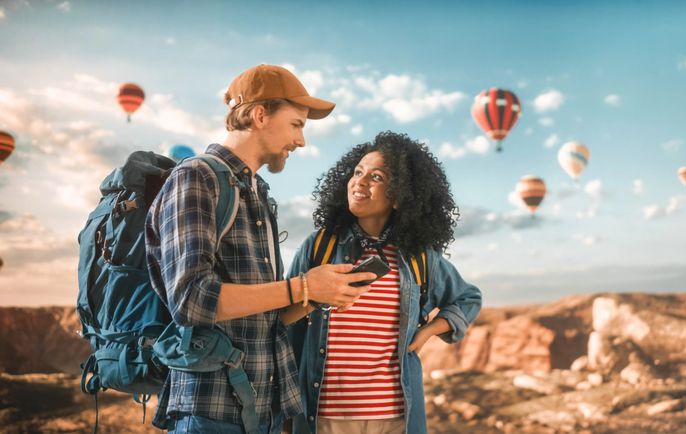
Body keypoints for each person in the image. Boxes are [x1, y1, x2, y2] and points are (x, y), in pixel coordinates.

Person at [145, 64, 377, 433]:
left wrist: (317, 295)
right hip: (212, 413)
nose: (301, 141)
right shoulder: (197, 178)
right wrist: (302, 286)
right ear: (259, 115)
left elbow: (260, 319)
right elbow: (191, 301)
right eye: (297, 124)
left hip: (264, 410)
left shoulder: (255, 192)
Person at [281, 131, 483, 434]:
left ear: (400, 196)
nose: (359, 181)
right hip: (323, 418)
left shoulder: (419, 258)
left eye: (375, 177)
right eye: (357, 172)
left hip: (396, 419)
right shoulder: (318, 247)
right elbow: (284, 323)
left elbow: (468, 298)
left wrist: (428, 331)